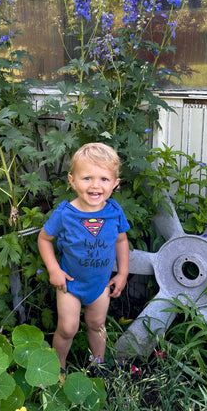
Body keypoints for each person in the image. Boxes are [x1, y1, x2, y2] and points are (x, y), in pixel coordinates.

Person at [37, 142, 130, 378]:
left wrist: (122, 273)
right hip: (70, 284)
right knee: (68, 328)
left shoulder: (114, 211)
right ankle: (57, 370)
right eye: (87, 178)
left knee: (96, 324)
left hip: (99, 285)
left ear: (115, 184)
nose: (95, 185)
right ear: (72, 180)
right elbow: (44, 239)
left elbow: (121, 241)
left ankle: (96, 366)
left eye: (104, 179)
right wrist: (54, 270)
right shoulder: (65, 214)